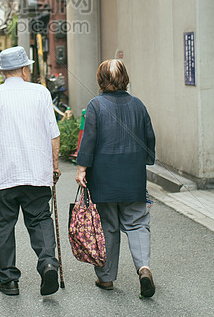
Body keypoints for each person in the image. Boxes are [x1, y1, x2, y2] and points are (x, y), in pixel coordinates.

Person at [0, 46, 62, 297]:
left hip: (2, 177)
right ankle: (48, 262)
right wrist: (53, 167)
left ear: (3, 72)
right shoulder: (40, 93)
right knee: (40, 219)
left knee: (3, 227)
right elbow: (54, 135)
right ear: (24, 69)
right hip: (35, 173)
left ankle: (9, 280)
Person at [75, 59, 156, 298]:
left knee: (107, 226)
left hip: (104, 177)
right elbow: (149, 137)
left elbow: (88, 140)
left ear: (101, 80)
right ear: (125, 79)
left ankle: (107, 278)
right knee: (138, 222)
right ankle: (143, 268)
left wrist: (82, 170)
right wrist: (146, 159)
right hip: (133, 176)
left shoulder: (96, 105)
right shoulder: (138, 105)